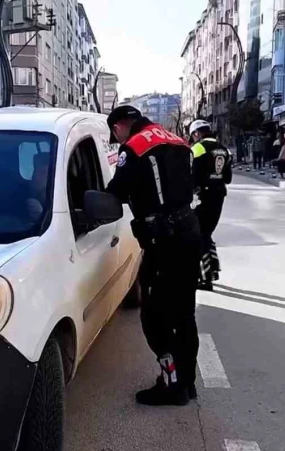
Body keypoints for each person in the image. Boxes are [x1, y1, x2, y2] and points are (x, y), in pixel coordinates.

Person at [105, 105, 201, 406]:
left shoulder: (134, 147)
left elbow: (116, 192)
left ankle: (172, 386)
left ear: (120, 125)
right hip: (188, 233)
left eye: (114, 133)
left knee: (154, 317)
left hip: (164, 243)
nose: (116, 138)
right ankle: (187, 381)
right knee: (184, 313)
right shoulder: (177, 141)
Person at [189, 119, 232, 292]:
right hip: (219, 195)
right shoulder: (224, 150)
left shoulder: (197, 149)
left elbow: (192, 176)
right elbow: (228, 178)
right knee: (206, 233)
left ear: (196, 134)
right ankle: (213, 268)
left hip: (202, 197)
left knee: (201, 236)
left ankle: (206, 278)